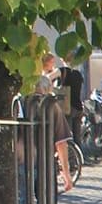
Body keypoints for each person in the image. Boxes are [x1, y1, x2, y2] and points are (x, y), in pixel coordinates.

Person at [38, 53, 76, 193]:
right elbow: (61, 143)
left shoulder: (21, 103)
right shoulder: (51, 106)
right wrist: (66, 173)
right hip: (46, 163)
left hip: (23, 164)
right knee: (48, 202)